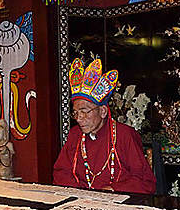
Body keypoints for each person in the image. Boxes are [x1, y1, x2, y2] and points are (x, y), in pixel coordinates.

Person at [53, 58, 156, 194]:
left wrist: (113, 190)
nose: (78, 119)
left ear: (102, 111)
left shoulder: (125, 135)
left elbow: (144, 181)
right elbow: (61, 174)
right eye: (75, 113)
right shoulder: (75, 134)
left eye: (84, 111)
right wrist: (80, 193)